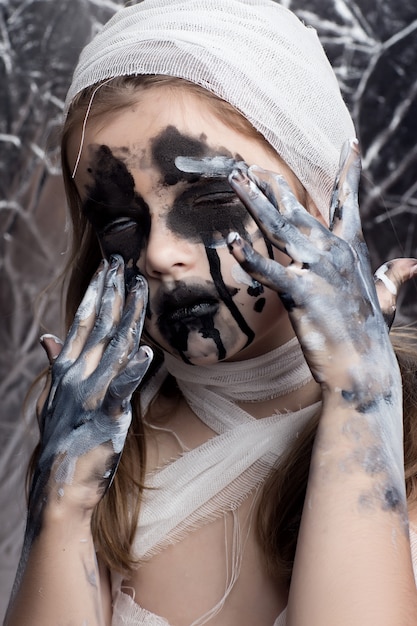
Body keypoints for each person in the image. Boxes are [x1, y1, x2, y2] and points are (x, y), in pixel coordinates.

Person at [5, 1, 417, 624]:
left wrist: (362, 399)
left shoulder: (410, 438)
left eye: (211, 200)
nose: (160, 253)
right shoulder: (114, 441)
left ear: (326, 185)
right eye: (119, 220)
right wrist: (60, 506)